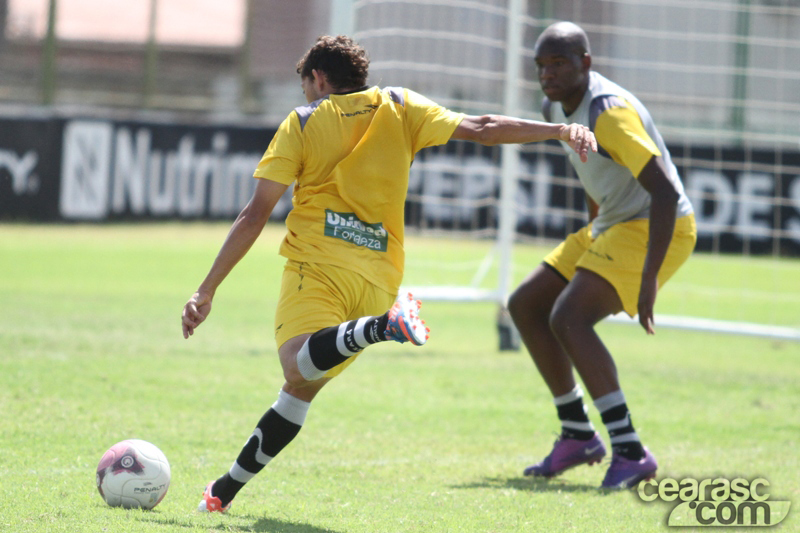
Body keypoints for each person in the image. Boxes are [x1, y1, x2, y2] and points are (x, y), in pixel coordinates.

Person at [181, 34, 596, 513]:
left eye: (306, 87)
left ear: (317, 78)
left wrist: (206, 290)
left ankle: (385, 327)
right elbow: (483, 127)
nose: (306, 96)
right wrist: (561, 131)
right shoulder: (401, 105)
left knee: (296, 364)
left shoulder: (303, 121)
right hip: (379, 278)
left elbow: (255, 215)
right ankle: (223, 492)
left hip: (320, 267)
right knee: (299, 389)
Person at [507, 21, 696, 489]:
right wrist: (597, 227)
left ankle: (630, 451)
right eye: (541, 65)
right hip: (614, 222)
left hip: (658, 225)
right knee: (526, 304)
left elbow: (666, 194)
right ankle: (577, 433)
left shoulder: (608, 113)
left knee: (569, 318)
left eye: (559, 63)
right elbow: (596, 169)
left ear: (585, 64)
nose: (548, 73)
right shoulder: (557, 105)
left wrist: (647, 278)